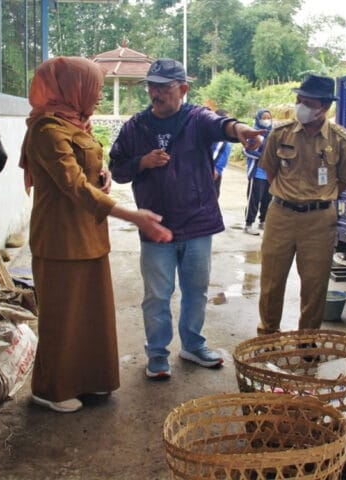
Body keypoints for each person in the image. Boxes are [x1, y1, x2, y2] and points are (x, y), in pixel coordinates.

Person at [19, 56, 172, 413]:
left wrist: (101, 173)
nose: (99, 95)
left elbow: (88, 169)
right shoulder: (46, 131)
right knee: (62, 317)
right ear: (73, 88)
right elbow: (73, 186)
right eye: (96, 88)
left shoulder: (76, 124)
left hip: (89, 234)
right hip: (60, 239)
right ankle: (51, 389)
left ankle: (89, 380)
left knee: (90, 315)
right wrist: (131, 215)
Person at [109, 58, 266, 378]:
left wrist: (242, 130)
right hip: (155, 225)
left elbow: (221, 125)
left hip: (197, 223)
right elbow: (117, 169)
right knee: (157, 295)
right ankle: (156, 353)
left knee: (196, 291)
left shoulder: (196, 119)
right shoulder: (135, 127)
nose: (156, 93)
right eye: (152, 86)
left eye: (164, 87)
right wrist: (142, 162)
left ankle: (193, 344)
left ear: (183, 89)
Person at [256, 74, 346, 335]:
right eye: (299, 99)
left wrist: (318, 197)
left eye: (307, 102)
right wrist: (288, 195)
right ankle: (267, 336)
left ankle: (306, 342)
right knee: (271, 281)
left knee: (314, 285)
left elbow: (344, 181)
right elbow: (270, 172)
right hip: (280, 214)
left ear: (324, 107)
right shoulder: (280, 133)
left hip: (319, 221)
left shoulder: (342, 140)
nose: (300, 105)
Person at [243, 109, 273, 235]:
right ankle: (248, 224)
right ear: (258, 119)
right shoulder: (253, 133)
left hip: (270, 174)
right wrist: (261, 156)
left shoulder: (273, 134)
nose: (266, 120)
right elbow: (246, 150)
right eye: (263, 117)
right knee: (254, 199)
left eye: (268, 117)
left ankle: (263, 221)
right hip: (257, 173)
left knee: (268, 198)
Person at [212, 109, 233, 199]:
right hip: (208, 171)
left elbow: (224, 156)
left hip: (217, 172)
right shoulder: (212, 135)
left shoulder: (226, 137)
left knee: (214, 196)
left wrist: (218, 169)